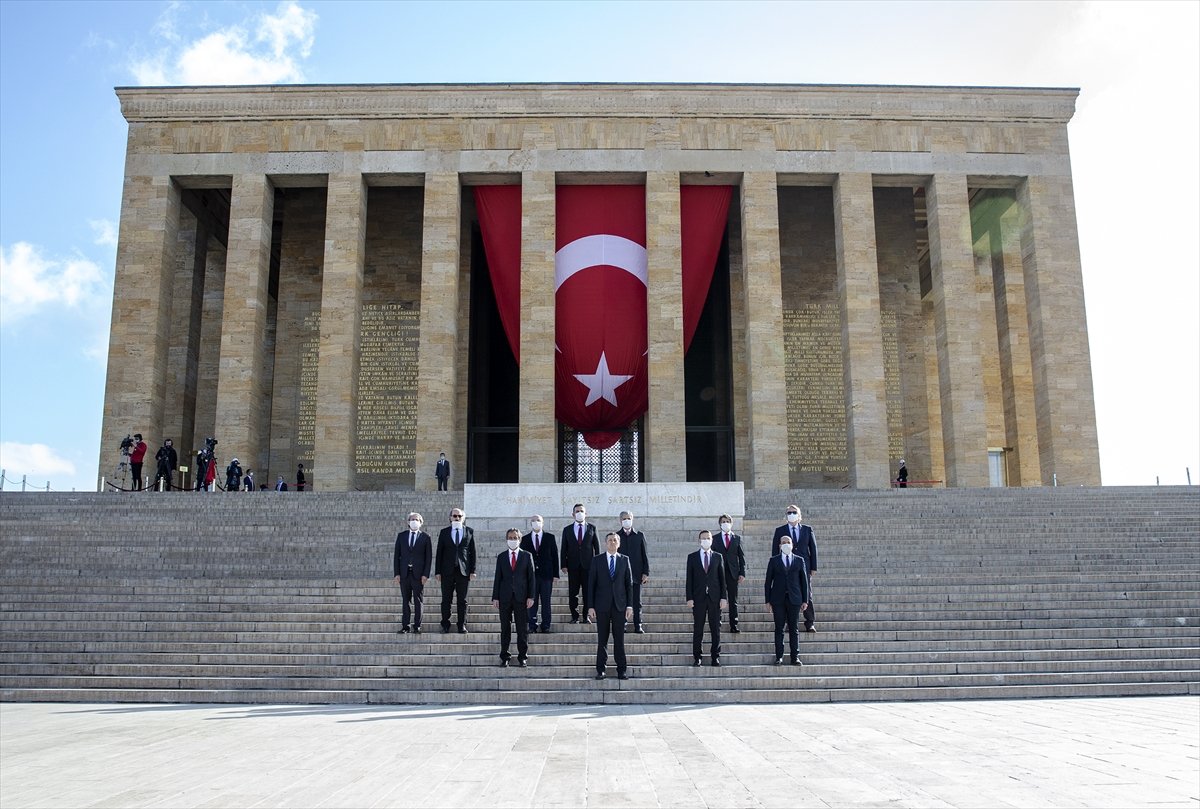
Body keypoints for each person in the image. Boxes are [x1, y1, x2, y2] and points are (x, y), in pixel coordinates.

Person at [586, 532, 634, 680]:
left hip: (620, 606)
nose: (612, 543)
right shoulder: (597, 560)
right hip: (602, 606)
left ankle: (622, 670)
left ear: (619, 544)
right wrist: (591, 606)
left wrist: (630, 606)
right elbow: (591, 584)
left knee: (619, 640)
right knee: (602, 640)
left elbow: (629, 585)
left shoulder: (625, 560)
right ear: (605, 543)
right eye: (609, 540)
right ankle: (601, 670)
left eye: (615, 540)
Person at [491, 528, 536, 668]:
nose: (512, 540)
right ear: (506, 539)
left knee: (522, 629)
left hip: (521, 597)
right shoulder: (502, 556)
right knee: (505, 628)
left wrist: (531, 596)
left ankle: (522, 656)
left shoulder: (527, 556)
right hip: (504, 597)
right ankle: (505, 656)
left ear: (520, 539)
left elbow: (531, 578)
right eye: (510, 537)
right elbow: (498, 577)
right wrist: (495, 597)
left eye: (515, 537)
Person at [771, 505, 818, 632]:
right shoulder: (780, 530)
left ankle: (810, 621)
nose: (791, 514)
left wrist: (813, 566)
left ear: (799, 515)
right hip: (786, 567)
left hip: (803, 566)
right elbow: (775, 550)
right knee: (786, 594)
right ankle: (788, 621)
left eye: (794, 512)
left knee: (807, 593)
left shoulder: (807, 530)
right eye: (789, 512)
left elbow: (812, 549)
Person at [764, 534, 810, 665]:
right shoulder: (774, 560)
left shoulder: (799, 560)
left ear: (792, 544)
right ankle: (779, 656)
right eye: (783, 542)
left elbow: (804, 582)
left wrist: (805, 600)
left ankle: (795, 656)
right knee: (779, 628)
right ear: (779, 545)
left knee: (794, 628)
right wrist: (767, 600)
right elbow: (768, 582)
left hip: (794, 599)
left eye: (788, 542)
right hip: (777, 599)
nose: (785, 544)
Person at [685, 530, 728, 667]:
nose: (706, 540)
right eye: (703, 538)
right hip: (698, 598)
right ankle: (697, 657)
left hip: (715, 598)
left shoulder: (718, 557)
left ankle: (715, 656)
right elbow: (689, 579)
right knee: (698, 628)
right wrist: (689, 598)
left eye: (708, 538)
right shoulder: (692, 557)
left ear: (711, 540)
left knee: (715, 629)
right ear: (699, 541)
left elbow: (722, 579)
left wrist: (723, 597)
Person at [435, 507, 476, 633]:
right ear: (450, 518)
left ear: (463, 518)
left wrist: (473, 570)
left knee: (462, 600)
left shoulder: (469, 531)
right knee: (446, 599)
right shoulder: (444, 532)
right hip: (447, 571)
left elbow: (472, 552)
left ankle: (461, 624)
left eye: (459, 516)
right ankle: (445, 624)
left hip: (463, 571)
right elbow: (439, 553)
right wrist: (437, 571)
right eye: (454, 516)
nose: (457, 518)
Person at [393, 511, 433, 634]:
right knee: (406, 600)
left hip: (418, 574)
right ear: (408, 522)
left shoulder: (426, 537)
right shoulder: (401, 536)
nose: (414, 521)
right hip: (404, 573)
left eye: (417, 519)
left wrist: (426, 574)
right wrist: (397, 573)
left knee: (418, 600)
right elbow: (397, 556)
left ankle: (417, 625)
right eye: (412, 519)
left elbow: (429, 557)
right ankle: (406, 625)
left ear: (421, 523)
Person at [560, 503, 599, 624]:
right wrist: (563, 565)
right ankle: (575, 616)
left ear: (586, 514)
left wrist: (597, 565)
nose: (579, 513)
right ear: (573, 514)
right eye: (577, 511)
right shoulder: (567, 530)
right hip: (573, 566)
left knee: (588, 592)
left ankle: (586, 616)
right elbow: (563, 548)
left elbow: (597, 547)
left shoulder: (592, 528)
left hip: (589, 566)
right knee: (573, 593)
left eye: (582, 511)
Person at [520, 514, 558, 634]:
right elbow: (523, 558)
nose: (536, 522)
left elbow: (555, 556)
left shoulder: (550, 537)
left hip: (546, 575)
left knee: (546, 601)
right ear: (530, 523)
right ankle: (532, 625)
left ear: (543, 523)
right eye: (533, 520)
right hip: (531, 576)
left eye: (538, 520)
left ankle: (546, 625)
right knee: (532, 601)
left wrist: (555, 574)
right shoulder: (525, 539)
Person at [616, 511, 650, 633]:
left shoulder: (639, 535)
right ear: (620, 521)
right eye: (624, 519)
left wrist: (646, 572)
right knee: (622, 601)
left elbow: (644, 555)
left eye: (629, 518)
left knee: (637, 602)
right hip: (621, 575)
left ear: (632, 519)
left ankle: (638, 624)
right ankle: (623, 623)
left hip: (636, 574)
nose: (626, 521)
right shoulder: (617, 536)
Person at [715, 514, 747, 633]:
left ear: (731, 523)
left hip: (733, 573)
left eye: (728, 521)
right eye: (723, 521)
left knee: (733, 600)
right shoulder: (715, 538)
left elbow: (741, 557)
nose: (726, 523)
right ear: (720, 523)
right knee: (718, 598)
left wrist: (742, 572)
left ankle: (734, 624)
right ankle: (717, 622)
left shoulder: (737, 538)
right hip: (719, 573)